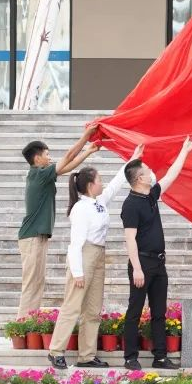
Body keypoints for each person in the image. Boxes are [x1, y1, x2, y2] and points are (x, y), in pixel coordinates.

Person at [47, 144, 141, 370]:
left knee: (92, 309)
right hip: (84, 255)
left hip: (98, 254)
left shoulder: (98, 203)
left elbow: (117, 184)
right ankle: (56, 350)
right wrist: (77, 272)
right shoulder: (81, 208)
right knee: (73, 305)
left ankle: (86, 355)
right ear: (90, 185)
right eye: (99, 180)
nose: (102, 183)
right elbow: (75, 244)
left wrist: (133, 159)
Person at [121, 136, 192, 371]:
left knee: (159, 312)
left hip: (159, 264)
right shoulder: (131, 204)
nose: (152, 173)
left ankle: (160, 356)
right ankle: (130, 357)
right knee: (134, 311)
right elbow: (130, 238)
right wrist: (137, 268)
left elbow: (171, 176)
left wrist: (184, 150)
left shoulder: (151, 195)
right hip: (141, 263)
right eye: (147, 170)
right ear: (140, 178)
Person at [17, 125, 98, 318]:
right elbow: (68, 156)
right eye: (47, 154)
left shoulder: (42, 175)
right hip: (32, 237)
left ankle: (29, 323)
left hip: (37, 236)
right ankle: (22, 326)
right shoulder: (39, 174)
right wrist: (86, 136)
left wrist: (89, 151)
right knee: (31, 283)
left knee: (37, 282)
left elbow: (68, 166)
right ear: (37, 159)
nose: (50, 157)